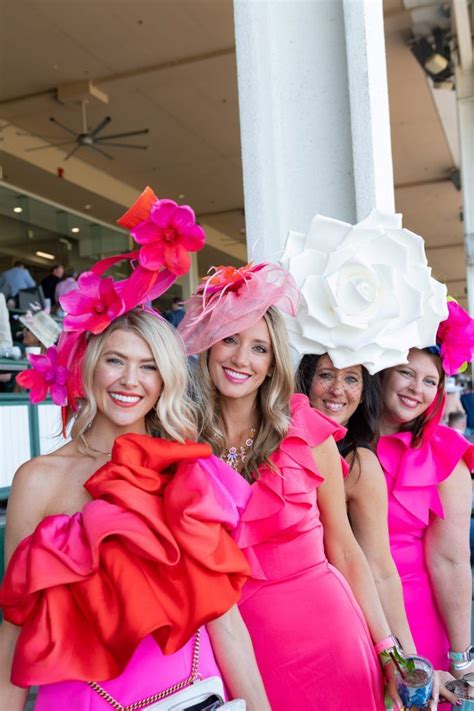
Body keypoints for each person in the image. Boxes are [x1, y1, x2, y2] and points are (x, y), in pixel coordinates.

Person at [0, 191, 269, 711]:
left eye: (148, 365)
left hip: (193, 695)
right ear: (90, 367)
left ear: (165, 378)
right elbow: (13, 625)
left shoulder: (187, 467)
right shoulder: (39, 479)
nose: (130, 381)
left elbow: (226, 622)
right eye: (116, 361)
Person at [179, 262, 406, 711]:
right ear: (207, 348)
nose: (241, 358)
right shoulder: (181, 442)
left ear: (272, 364)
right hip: (243, 648)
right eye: (229, 339)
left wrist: (388, 648)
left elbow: (344, 549)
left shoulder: (305, 429)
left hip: (331, 635)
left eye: (259, 348)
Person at [377, 299, 474, 677]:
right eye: (406, 372)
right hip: (345, 617)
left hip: (415, 617)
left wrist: (462, 658)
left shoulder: (446, 456)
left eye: (430, 380)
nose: (416, 389)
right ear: (383, 374)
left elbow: (449, 561)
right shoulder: (339, 442)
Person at [296, 353, 416, 655]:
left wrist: (408, 659)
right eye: (325, 375)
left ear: (364, 394)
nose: (337, 389)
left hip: (334, 625)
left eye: (351, 378)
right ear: (305, 380)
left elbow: (379, 568)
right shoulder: (273, 443)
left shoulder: (360, 464)